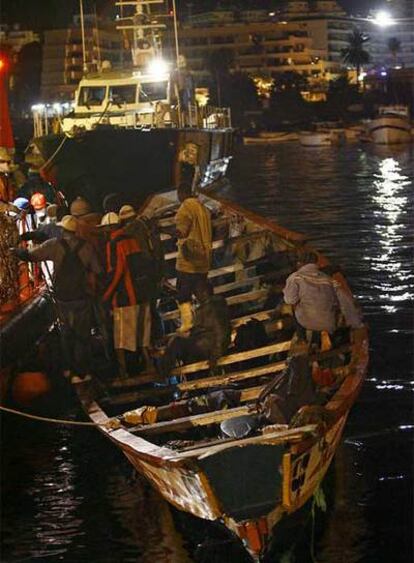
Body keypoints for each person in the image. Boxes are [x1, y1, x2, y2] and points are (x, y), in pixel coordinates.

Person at [11, 215, 102, 381]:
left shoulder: (54, 245)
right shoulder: (87, 247)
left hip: (62, 298)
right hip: (81, 297)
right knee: (83, 334)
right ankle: (84, 371)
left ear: (63, 229)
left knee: (67, 333)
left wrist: (15, 251)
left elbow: (31, 255)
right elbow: (96, 270)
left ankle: (70, 371)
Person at [102, 212, 153, 377]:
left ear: (109, 228)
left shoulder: (113, 243)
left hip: (126, 295)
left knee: (122, 338)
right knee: (143, 335)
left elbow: (117, 271)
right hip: (142, 293)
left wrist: (107, 295)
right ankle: (149, 365)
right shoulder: (132, 239)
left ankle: (123, 372)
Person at [283, 251, 363, 347]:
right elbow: (346, 302)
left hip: (306, 322)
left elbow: (289, 300)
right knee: (321, 303)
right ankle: (316, 341)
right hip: (330, 324)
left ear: (299, 263)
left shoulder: (294, 277)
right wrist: (356, 323)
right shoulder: (329, 280)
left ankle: (302, 338)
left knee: (294, 305)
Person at [157, 281, 231, 379]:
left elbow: (220, 331)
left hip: (207, 345)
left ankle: (163, 373)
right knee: (177, 342)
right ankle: (167, 372)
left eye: (198, 292)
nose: (196, 295)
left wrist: (216, 354)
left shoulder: (213, 307)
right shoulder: (209, 306)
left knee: (176, 342)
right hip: (204, 343)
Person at [174, 183, 212, 333]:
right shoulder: (203, 208)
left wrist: (163, 230)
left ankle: (188, 322)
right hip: (204, 259)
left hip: (189, 260)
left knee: (183, 293)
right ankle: (209, 319)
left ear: (181, 194)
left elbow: (181, 232)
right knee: (202, 292)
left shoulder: (185, 208)